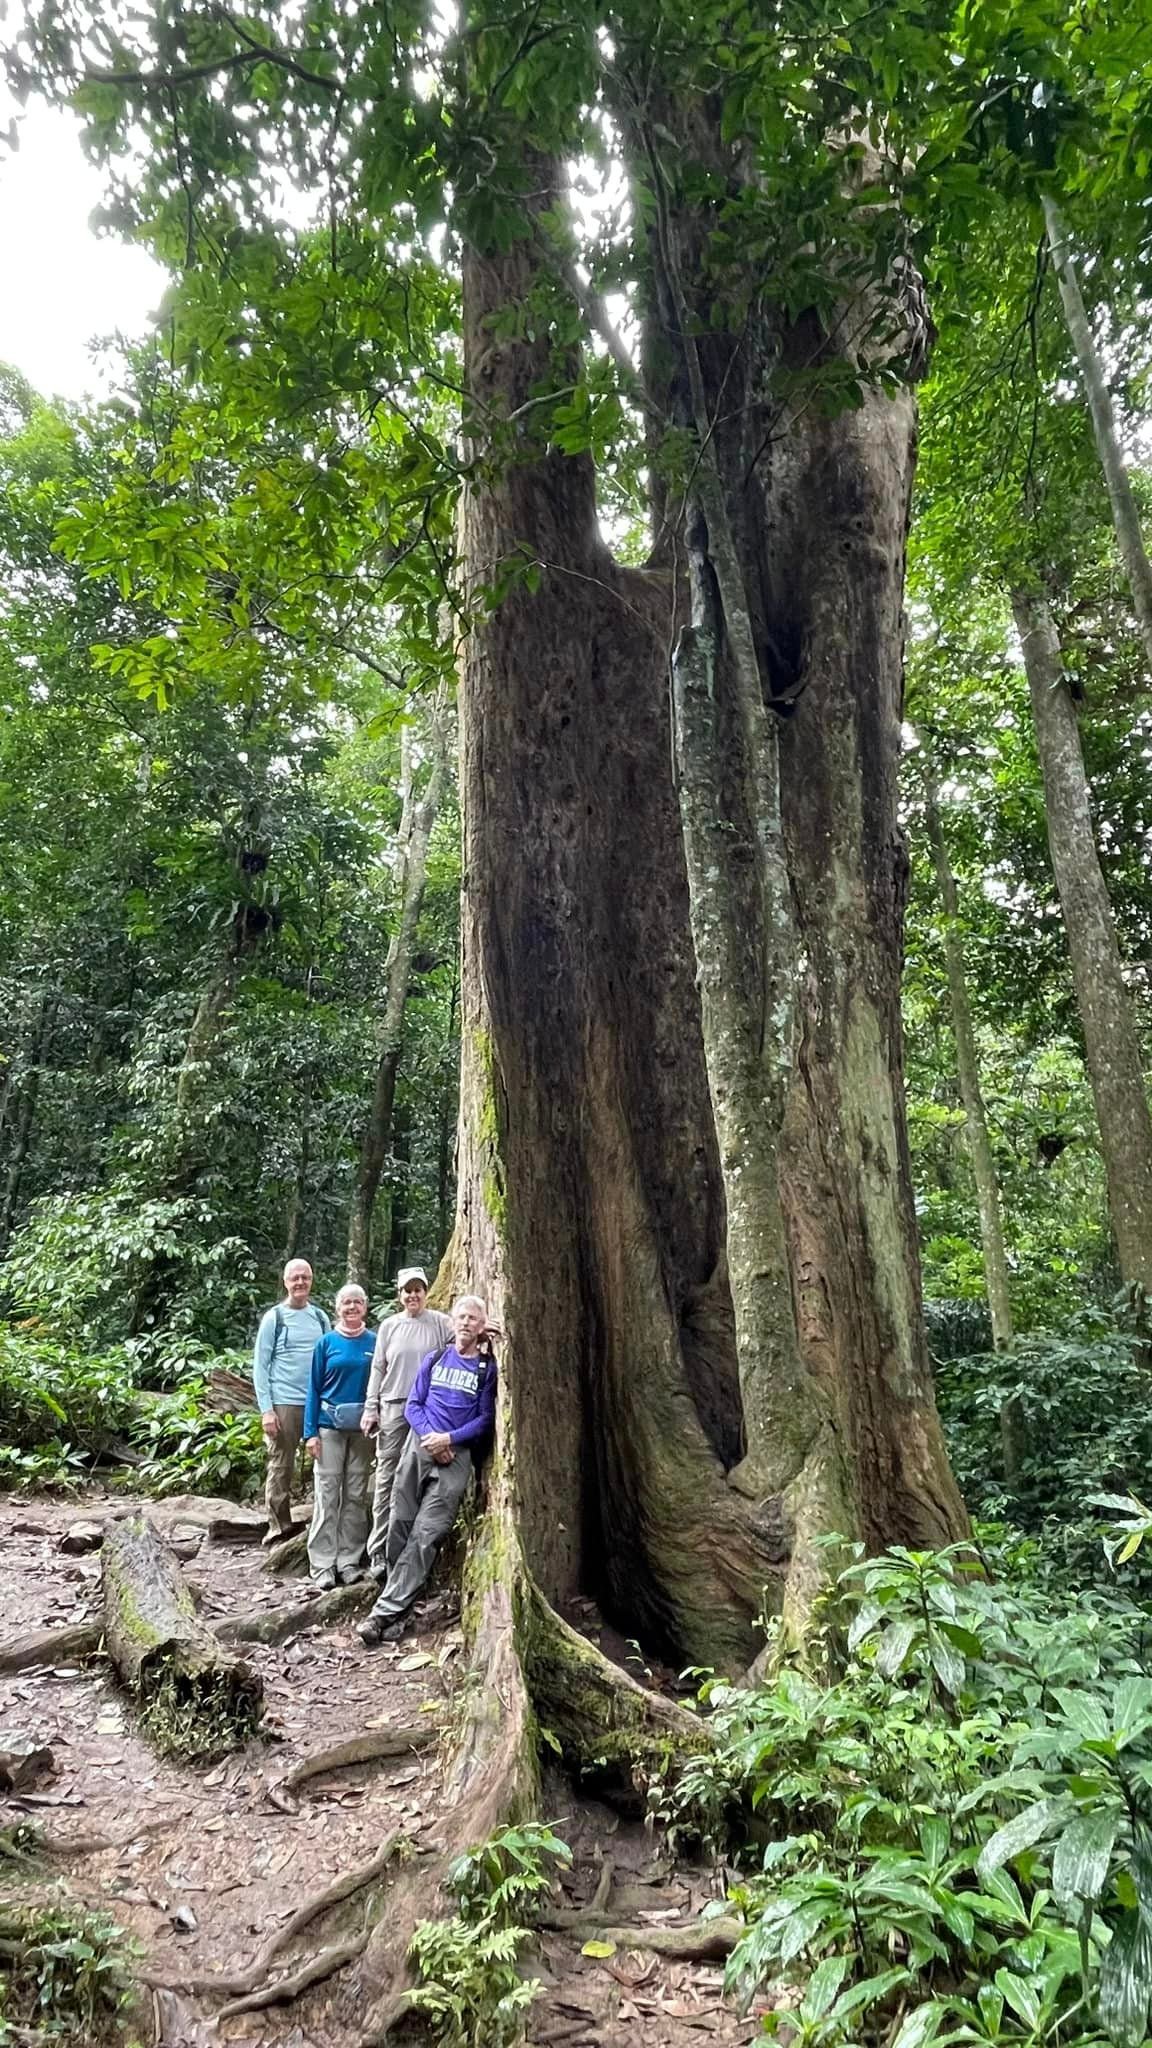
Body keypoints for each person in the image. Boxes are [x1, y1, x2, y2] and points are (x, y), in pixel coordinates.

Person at [358, 1295, 496, 1647]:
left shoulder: (485, 1369)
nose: (466, 1322)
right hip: (418, 1448)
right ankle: (399, 1605)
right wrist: (430, 1437)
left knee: (426, 1534)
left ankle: (382, 1613)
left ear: (482, 1327)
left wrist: (449, 1438)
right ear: (451, 1322)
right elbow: (413, 1405)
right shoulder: (434, 1358)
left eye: (473, 1319)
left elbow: (484, 1420)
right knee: (399, 1522)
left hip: (455, 1458)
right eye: (461, 1316)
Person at [361, 1267, 453, 1579]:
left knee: (419, 1479)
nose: (412, 1295)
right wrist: (370, 1408)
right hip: (394, 1407)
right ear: (399, 1295)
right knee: (387, 1479)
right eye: (406, 1290)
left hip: (429, 1411)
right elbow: (378, 1368)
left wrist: (486, 1329)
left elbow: (466, 1336)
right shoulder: (389, 1326)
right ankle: (378, 1551)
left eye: (417, 1289)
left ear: (426, 1292)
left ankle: (409, 1554)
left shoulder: (441, 1322)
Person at [303, 1283, 377, 1591]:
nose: (352, 1307)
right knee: (327, 1493)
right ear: (338, 1308)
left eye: (357, 1302)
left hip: (363, 1430)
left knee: (356, 1496)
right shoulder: (326, 1343)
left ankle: (349, 1560)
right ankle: (322, 1564)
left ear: (365, 1307)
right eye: (346, 1302)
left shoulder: (375, 1340)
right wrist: (310, 1433)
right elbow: (313, 1389)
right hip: (329, 1427)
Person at [252, 1260, 331, 1548]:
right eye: (295, 1278)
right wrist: (266, 1410)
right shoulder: (276, 1318)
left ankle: (322, 1523)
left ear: (311, 1281)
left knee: (324, 1464)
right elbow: (261, 1366)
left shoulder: (320, 1318)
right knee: (281, 1465)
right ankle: (278, 1528)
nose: (300, 1282)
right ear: (285, 1282)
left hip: (316, 1402)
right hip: (284, 1402)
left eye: (305, 1278)